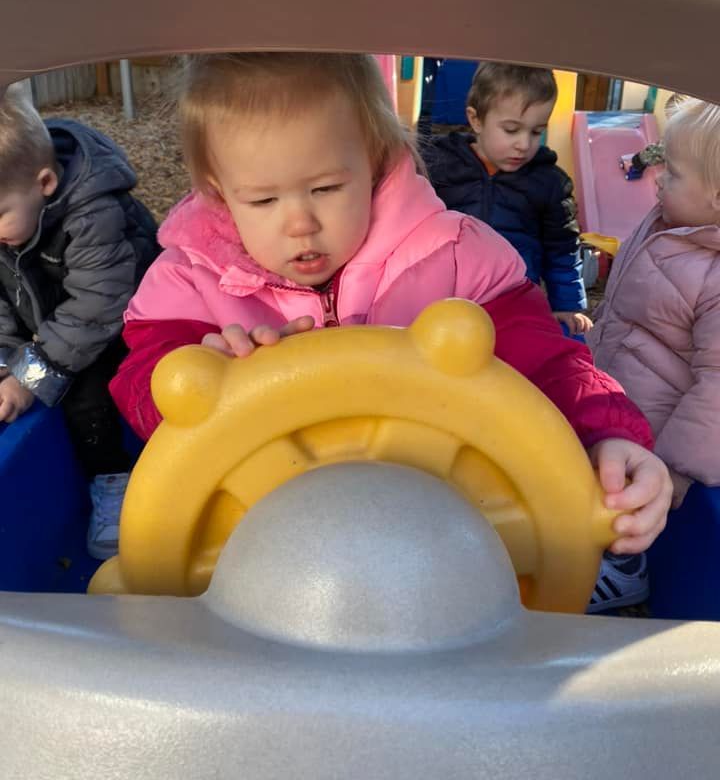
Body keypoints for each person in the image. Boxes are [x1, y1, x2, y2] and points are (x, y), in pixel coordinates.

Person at [110, 53, 672, 611]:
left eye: (327, 188)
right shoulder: (191, 280)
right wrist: (195, 377)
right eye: (262, 199)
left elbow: (551, 363)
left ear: (376, 160)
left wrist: (609, 434)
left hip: (447, 536)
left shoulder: (454, 258)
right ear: (217, 190)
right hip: (257, 546)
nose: (299, 222)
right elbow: (141, 383)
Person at [0, 84, 158, 559]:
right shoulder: (12, 213)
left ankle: (114, 481)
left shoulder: (92, 213)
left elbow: (100, 305)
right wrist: (7, 363)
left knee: (89, 389)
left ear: (45, 184)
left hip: (124, 321)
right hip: (62, 318)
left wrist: (32, 375)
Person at [589, 99, 720, 516]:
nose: (658, 180)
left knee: (618, 513)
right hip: (609, 397)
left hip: (649, 436)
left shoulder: (713, 277)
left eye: (674, 174)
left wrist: (673, 468)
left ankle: (623, 574)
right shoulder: (666, 223)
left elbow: (717, 385)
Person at [424, 62, 592, 336]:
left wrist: (567, 303)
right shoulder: (440, 166)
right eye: (511, 130)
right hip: (446, 297)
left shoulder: (548, 182)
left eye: (536, 131)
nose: (524, 144)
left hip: (513, 299)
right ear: (476, 119)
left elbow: (561, 249)